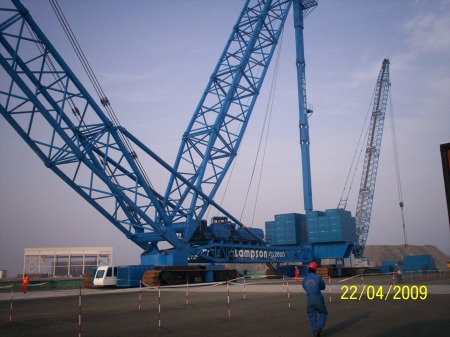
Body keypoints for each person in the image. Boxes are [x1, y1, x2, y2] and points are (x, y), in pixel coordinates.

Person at [302, 262, 327, 337]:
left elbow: (305, 288)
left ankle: (315, 334)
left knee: (312, 317)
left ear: (308, 269)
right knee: (323, 313)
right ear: (315, 269)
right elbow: (323, 287)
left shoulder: (304, 280)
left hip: (309, 300)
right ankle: (319, 327)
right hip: (318, 299)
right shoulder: (318, 278)